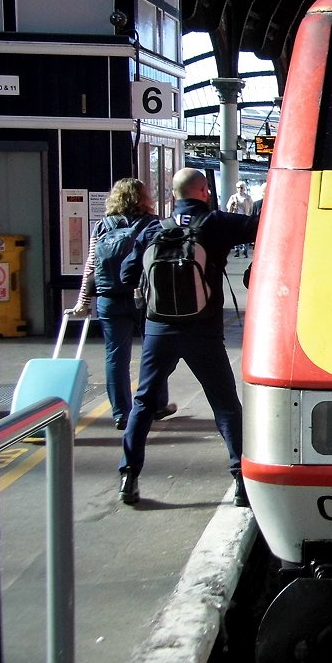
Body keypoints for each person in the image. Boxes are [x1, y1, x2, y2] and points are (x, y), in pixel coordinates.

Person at [116, 167, 259, 507]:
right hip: (204, 331)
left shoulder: (154, 229)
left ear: (174, 195)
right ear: (204, 191)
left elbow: (125, 275)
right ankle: (240, 481)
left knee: (143, 403)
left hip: (159, 331)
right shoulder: (215, 223)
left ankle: (129, 477)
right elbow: (263, 225)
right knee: (224, 405)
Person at [66, 178, 177, 430]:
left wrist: (83, 300)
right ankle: (157, 405)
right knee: (155, 354)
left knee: (115, 357)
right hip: (145, 299)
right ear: (144, 198)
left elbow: (91, 266)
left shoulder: (102, 226)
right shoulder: (152, 225)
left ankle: (121, 414)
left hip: (108, 300)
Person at [227, 180, 253, 256]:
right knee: (235, 234)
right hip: (236, 217)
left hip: (245, 218)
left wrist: (250, 216)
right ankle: (237, 250)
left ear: (244, 188)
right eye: (238, 187)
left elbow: (251, 208)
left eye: (241, 187)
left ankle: (245, 250)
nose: (240, 189)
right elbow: (228, 206)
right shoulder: (233, 197)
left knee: (245, 234)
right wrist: (232, 205)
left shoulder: (248, 198)